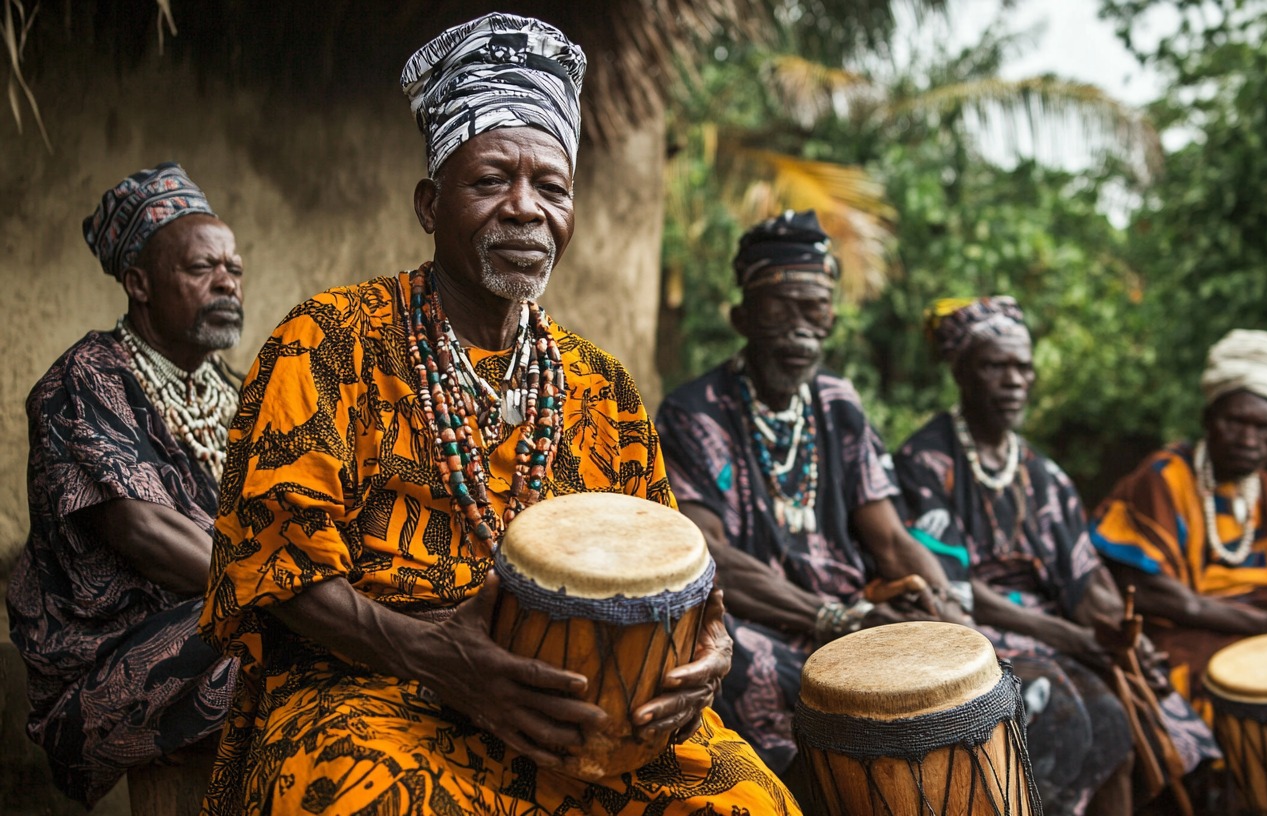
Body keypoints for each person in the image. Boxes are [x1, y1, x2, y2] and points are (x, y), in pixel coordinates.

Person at [198, 14, 795, 816]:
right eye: (490, 182)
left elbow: (671, 567)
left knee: (747, 802)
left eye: (551, 187)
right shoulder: (328, 342)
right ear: (429, 203)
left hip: (577, 702)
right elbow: (273, 573)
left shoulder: (601, 387)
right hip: (371, 687)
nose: (526, 209)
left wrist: (707, 649)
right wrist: (441, 658)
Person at [655, 210, 969, 777]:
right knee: (739, 664)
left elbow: (892, 539)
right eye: (781, 309)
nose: (802, 328)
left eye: (816, 309)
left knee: (978, 679)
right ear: (742, 317)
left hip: (854, 612)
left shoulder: (837, 404)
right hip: (760, 620)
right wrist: (832, 619)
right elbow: (709, 556)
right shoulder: (694, 413)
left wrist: (947, 615)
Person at [895, 297, 1217, 816]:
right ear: (961, 372)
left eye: (1023, 367)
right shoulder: (923, 462)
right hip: (970, 632)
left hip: (1053, 630)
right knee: (1071, 714)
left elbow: (1084, 577)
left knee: (1123, 721)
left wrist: (1119, 632)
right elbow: (955, 590)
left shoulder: (1043, 473)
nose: (1015, 380)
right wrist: (1071, 637)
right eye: (996, 366)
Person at [5, 163, 242, 806]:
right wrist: (291, 591)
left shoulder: (240, 391)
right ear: (138, 283)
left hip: (224, 616)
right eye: (202, 268)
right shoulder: (83, 381)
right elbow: (146, 530)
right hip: (105, 670)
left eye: (234, 269)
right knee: (305, 643)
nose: (226, 282)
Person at [1090, 329, 1267, 712]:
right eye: (1236, 421)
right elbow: (1170, 601)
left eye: (1265, 427)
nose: (1250, 438)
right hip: (1185, 638)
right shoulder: (1164, 479)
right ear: (1208, 418)